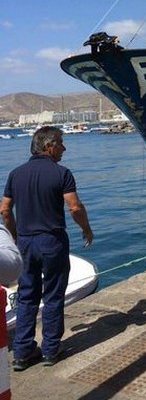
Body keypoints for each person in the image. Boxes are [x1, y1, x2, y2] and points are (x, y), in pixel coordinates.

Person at [0, 126, 93, 370]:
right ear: (49, 146)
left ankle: (22, 352)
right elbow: (74, 207)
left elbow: (5, 210)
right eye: (61, 143)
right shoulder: (61, 173)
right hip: (52, 241)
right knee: (53, 295)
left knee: (27, 296)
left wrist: (14, 236)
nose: (64, 147)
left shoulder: (16, 174)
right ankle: (51, 350)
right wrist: (86, 228)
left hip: (25, 243)